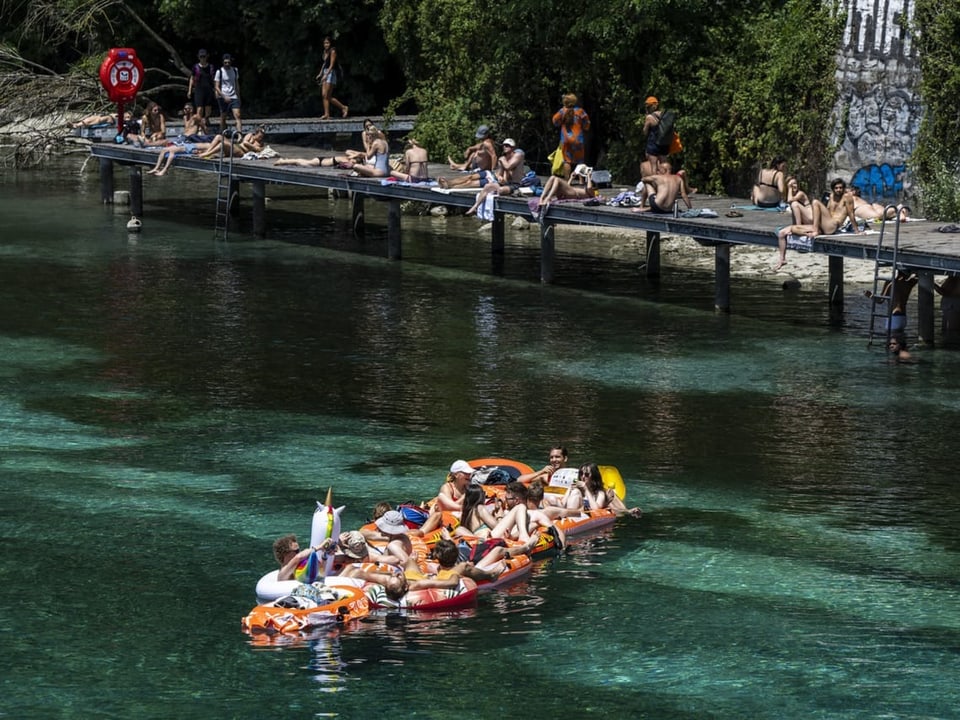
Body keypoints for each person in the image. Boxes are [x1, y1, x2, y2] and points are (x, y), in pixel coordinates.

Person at [774, 178, 862, 271]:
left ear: (843, 188)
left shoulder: (847, 197)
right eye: (836, 188)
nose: (838, 190)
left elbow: (851, 214)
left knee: (815, 202)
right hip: (824, 225)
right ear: (833, 189)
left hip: (833, 225)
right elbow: (827, 212)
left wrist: (857, 230)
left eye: (840, 188)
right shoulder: (832, 196)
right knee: (787, 231)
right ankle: (782, 259)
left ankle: (815, 230)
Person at [865, 269, 918, 340]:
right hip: (903, 318)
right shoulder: (909, 283)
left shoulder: (890, 283)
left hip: (894, 318)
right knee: (900, 343)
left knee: (891, 343)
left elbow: (880, 300)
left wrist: (870, 295)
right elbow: (919, 276)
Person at [573, 463, 642, 517]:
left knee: (609, 494)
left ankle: (627, 511)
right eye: (581, 474)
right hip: (578, 511)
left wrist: (586, 489)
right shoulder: (577, 490)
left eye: (587, 474)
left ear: (593, 476)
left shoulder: (600, 493)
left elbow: (596, 510)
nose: (583, 477)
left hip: (593, 512)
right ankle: (626, 511)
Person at [552, 93, 590, 180]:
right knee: (580, 161)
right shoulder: (580, 111)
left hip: (566, 139)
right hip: (578, 139)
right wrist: (584, 127)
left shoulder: (562, 111)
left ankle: (567, 180)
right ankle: (581, 181)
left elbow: (555, 121)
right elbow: (587, 124)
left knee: (567, 161)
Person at [316, 36, 348, 119]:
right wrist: (320, 73)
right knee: (324, 95)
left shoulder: (332, 51)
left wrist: (326, 74)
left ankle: (343, 108)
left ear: (330, 43)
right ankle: (329, 113)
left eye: (327, 43)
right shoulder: (325, 52)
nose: (326, 45)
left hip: (331, 72)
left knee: (327, 95)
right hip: (325, 71)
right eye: (324, 43)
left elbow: (331, 64)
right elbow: (324, 63)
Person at [145, 139, 214, 176]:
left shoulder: (210, 146)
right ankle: (156, 168)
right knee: (164, 150)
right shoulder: (210, 144)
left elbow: (207, 153)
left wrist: (199, 152)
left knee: (172, 151)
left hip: (190, 148)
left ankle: (165, 170)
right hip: (188, 145)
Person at [186, 49, 216, 128]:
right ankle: (199, 123)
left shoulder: (211, 67)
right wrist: (189, 90)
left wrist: (216, 90)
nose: (203, 58)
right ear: (198, 57)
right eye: (201, 57)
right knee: (199, 108)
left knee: (208, 107)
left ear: (207, 57)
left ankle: (206, 118)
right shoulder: (196, 67)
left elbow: (214, 79)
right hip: (199, 89)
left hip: (209, 89)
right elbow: (192, 78)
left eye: (204, 56)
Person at [197, 126, 265, 160]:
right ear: (255, 134)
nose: (260, 138)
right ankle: (207, 152)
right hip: (236, 147)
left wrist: (254, 147)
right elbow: (244, 142)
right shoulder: (249, 135)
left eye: (262, 137)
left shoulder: (260, 143)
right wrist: (252, 146)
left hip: (241, 152)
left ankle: (206, 154)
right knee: (218, 136)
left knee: (222, 144)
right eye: (259, 136)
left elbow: (255, 148)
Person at [215, 53, 241, 135]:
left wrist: (238, 96)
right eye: (225, 62)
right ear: (223, 62)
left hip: (233, 96)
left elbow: (236, 84)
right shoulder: (219, 71)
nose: (227, 64)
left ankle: (239, 134)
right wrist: (223, 96)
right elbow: (216, 86)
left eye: (228, 62)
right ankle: (222, 133)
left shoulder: (235, 70)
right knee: (223, 116)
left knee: (238, 115)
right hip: (223, 96)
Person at [935, 275, 960, 347]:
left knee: (951, 332)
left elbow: (945, 292)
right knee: (947, 331)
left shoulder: (954, 278)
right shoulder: (952, 277)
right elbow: (944, 291)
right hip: (949, 307)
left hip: (952, 307)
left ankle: (952, 347)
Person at [642, 96, 665, 173]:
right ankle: (665, 182)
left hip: (653, 144)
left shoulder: (649, 117)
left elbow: (645, 132)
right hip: (663, 143)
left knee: (653, 166)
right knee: (663, 165)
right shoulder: (663, 114)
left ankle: (655, 184)